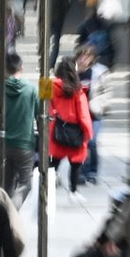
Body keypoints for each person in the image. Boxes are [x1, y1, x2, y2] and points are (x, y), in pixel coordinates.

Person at [0, 52, 41, 208]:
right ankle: (11, 213)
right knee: (25, 183)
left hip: (4, 144)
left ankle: (3, 216)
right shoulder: (32, 90)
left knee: (6, 185)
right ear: (21, 67)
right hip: (24, 143)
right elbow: (40, 116)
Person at [49, 55, 93, 193]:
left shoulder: (48, 86)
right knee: (76, 164)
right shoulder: (78, 91)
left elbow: (43, 107)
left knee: (53, 163)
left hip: (54, 130)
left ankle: (47, 188)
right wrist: (88, 133)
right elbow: (84, 115)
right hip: (75, 133)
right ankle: (73, 191)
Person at [76, 44, 111, 185]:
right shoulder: (73, 71)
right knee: (81, 143)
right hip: (77, 113)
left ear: (93, 58)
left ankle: (92, 171)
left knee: (92, 142)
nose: (84, 58)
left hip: (93, 112)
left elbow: (108, 93)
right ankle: (82, 173)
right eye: (81, 55)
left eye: (88, 55)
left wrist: (99, 105)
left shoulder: (100, 72)